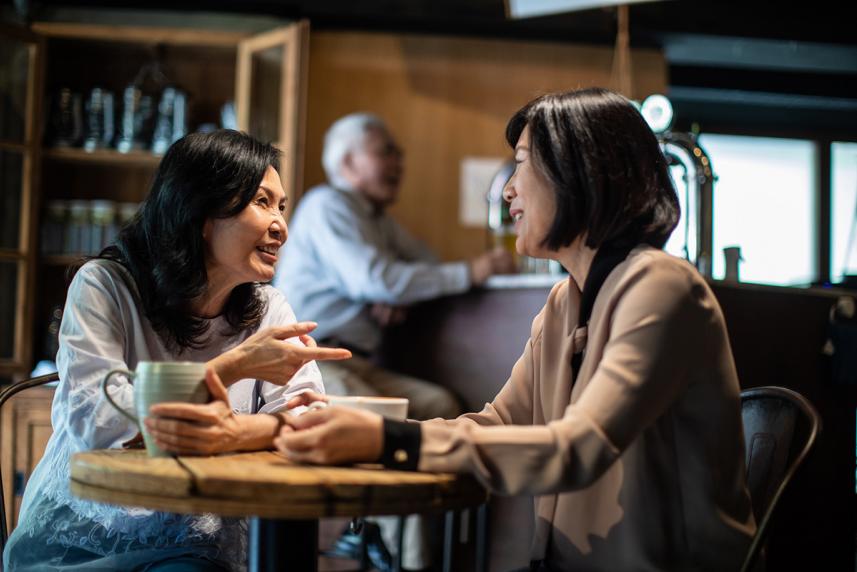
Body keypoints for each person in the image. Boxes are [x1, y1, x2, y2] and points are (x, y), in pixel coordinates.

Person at [275, 88, 757, 571]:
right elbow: (499, 422)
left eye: (521, 163)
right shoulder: (565, 299)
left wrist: (390, 442)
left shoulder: (661, 287)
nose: (508, 190)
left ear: (580, 173)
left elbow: (579, 448)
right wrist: (380, 432)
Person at [2, 130, 351, 572]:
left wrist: (227, 433)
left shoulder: (269, 308)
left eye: (281, 206)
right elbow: (98, 423)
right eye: (262, 202)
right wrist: (235, 370)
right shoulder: (106, 285)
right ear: (201, 212)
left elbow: (309, 420)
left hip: (198, 544)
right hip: (80, 542)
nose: (281, 225)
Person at [272, 113, 515, 570]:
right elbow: (378, 280)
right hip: (313, 363)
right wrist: (469, 272)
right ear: (347, 163)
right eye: (386, 151)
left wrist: (396, 289)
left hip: (356, 359)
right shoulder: (329, 205)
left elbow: (417, 264)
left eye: (397, 153)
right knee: (387, 428)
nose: (398, 162)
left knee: (439, 403)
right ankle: (391, 552)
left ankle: (408, 553)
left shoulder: (376, 218)